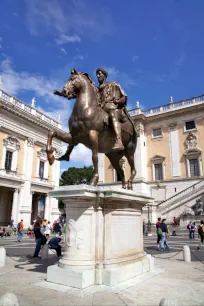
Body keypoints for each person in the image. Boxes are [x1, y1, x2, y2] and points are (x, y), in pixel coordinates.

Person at [96, 68, 127, 151]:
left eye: (99, 74)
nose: (97, 76)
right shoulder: (97, 90)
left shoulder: (114, 84)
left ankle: (119, 140)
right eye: (97, 74)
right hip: (100, 109)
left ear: (104, 75)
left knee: (112, 113)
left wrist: (118, 101)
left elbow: (124, 97)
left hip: (112, 108)